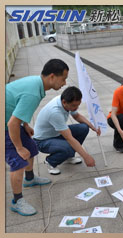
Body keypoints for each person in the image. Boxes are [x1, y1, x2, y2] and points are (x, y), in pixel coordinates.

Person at [5, 59, 68, 216]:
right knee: (18, 161)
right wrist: (19, 148)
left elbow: (18, 107)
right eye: (63, 78)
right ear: (52, 76)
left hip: (10, 119)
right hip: (5, 124)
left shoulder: (37, 84)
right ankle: (17, 201)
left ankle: (30, 178)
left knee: (32, 148)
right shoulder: (33, 92)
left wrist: (25, 125)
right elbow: (12, 124)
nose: (65, 83)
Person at [33, 86, 98, 175]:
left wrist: (92, 127)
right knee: (68, 146)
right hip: (42, 141)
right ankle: (50, 162)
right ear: (64, 102)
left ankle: (68, 156)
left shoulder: (65, 100)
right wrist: (86, 157)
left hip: (55, 133)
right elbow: (69, 138)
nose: (76, 108)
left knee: (84, 128)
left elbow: (77, 116)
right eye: (74, 106)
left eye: (78, 105)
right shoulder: (55, 112)